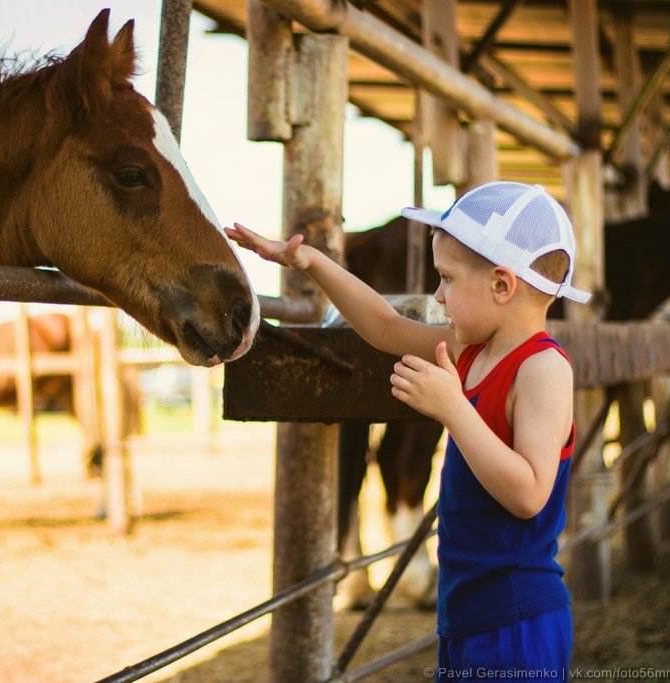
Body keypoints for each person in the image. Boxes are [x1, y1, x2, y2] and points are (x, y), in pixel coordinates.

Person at [226, 181, 591, 682]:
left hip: (515, 622)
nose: (436, 295)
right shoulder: (473, 351)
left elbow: (529, 494)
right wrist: (311, 263)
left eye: (446, 279)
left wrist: (453, 410)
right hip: (468, 612)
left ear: (502, 286)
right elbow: (384, 326)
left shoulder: (543, 369)